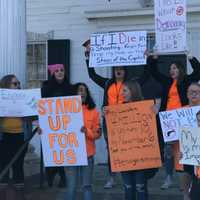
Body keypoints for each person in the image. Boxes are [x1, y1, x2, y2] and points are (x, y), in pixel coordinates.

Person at [83, 40, 150, 188]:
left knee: (129, 148)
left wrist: (147, 59)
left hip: (128, 122)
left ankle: (130, 174)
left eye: (121, 69)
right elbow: (92, 75)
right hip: (110, 122)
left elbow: (146, 76)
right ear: (113, 71)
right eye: (116, 69)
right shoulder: (107, 83)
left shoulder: (131, 84)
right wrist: (88, 57)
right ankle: (111, 177)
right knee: (111, 150)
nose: (118, 71)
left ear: (125, 71)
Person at [148, 54, 200, 194]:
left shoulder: (187, 81)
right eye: (171, 68)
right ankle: (169, 177)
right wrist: (152, 59)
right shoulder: (166, 81)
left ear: (181, 69)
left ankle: (188, 179)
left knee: (185, 149)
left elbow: (198, 70)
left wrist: (191, 57)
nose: (172, 70)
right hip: (169, 121)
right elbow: (153, 72)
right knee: (169, 151)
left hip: (184, 119)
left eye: (175, 68)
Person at [0, 74, 38, 199]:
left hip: (21, 137)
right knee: (3, 165)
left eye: (18, 83)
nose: (18, 86)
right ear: (6, 85)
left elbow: (33, 116)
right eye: (15, 84)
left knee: (18, 166)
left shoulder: (25, 98)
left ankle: (20, 195)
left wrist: (35, 114)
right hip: (4, 137)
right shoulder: (1, 98)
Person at [65, 82, 101, 200]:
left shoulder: (94, 111)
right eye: (80, 90)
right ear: (74, 93)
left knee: (87, 186)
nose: (83, 92)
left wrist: (87, 132)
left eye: (85, 90)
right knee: (71, 186)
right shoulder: (64, 110)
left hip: (87, 155)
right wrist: (43, 130)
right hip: (71, 155)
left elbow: (98, 134)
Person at [41, 63, 74, 188]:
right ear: (52, 74)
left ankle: (58, 174)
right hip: (50, 126)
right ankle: (54, 172)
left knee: (62, 151)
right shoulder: (46, 88)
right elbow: (41, 106)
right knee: (53, 152)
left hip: (66, 125)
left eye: (62, 70)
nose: (60, 72)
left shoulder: (70, 88)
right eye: (57, 71)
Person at [121, 79, 149, 200]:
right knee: (128, 188)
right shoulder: (118, 110)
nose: (122, 93)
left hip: (141, 157)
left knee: (140, 187)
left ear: (133, 91)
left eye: (125, 90)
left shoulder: (145, 108)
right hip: (124, 156)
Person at [183, 83, 200, 200]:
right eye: (191, 92)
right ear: (187, 95)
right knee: (188, 174)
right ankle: (186, 195)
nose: (194, 94)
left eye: (197, 92)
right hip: (187, 151)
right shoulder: (181, 111)